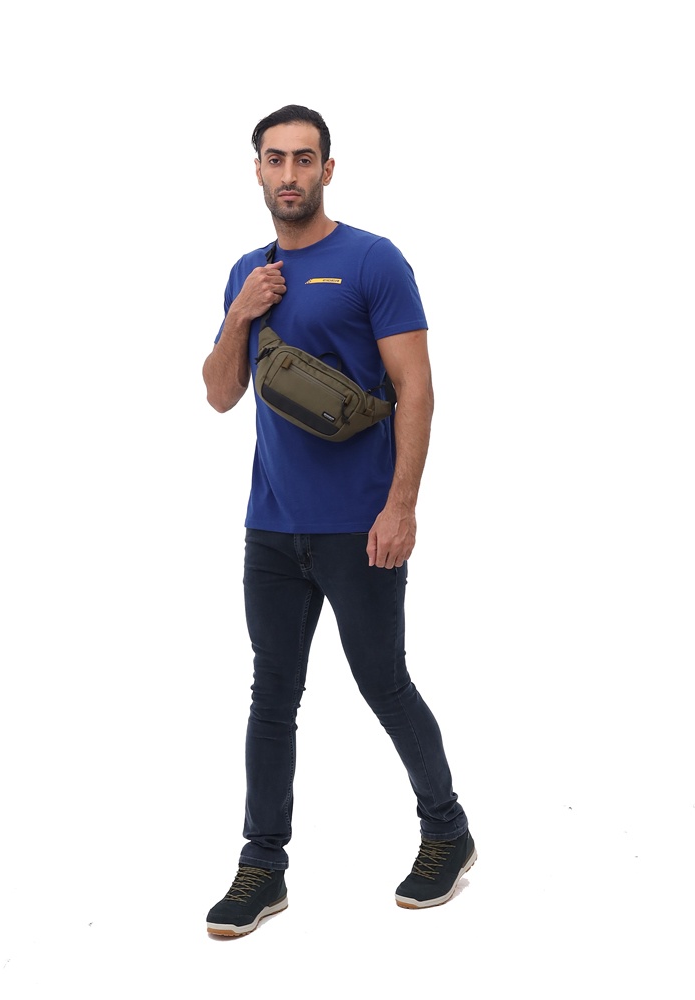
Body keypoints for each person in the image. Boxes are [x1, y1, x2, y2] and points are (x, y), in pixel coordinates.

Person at [202, 105, 474, 938]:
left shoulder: (372, 260)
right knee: (271, 695)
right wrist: (241, 313)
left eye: (304, 158)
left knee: (383, 683)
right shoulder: (247, 272)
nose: (289, 174)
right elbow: (219, 394)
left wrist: (401, 506)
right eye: (274, 158)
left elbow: (417, 388)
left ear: (327, 169)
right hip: (271, 524)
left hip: (361, 525)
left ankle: (447, 832)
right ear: (256, 169)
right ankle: (262, 866)